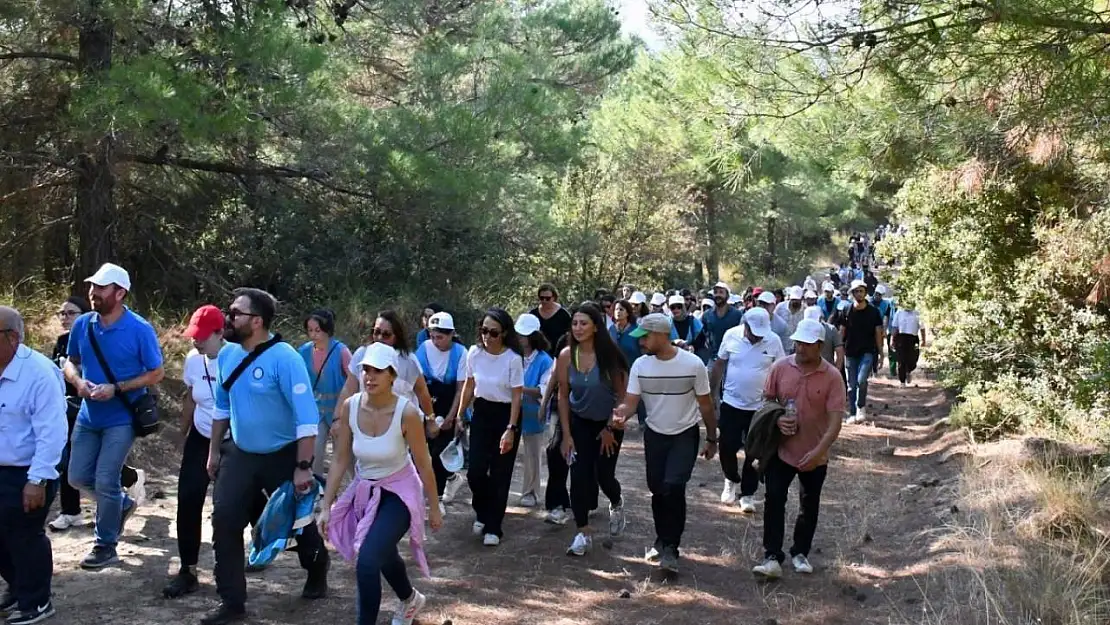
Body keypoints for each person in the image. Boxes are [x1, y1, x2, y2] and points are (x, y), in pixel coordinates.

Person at [205, 288, 329, 625]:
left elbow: (307, 420)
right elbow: (221, 407)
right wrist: (214, 451)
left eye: (235, 313)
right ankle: (232, 602)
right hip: (241, 454)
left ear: (256, 321)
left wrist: (303, 468)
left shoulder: (285, 358)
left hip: (283, 456)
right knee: (225, 520)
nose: (228, 318)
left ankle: (317, 567)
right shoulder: (228, 355)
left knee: (298, 526)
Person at [319, 343, 442, 625]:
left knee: (368, 560)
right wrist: (326, 506)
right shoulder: (351, 407)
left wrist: (433, 508)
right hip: (366, 490)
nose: (369, 377)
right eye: (366, 370)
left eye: (378, 371)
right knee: (382, 551)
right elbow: (339, 460)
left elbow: (424, 464)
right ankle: (410, 599)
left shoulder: (407, 413)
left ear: (392, 376)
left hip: (400, 492)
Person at [62, 263, 164, 569]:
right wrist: (78, 382)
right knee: (77, 476)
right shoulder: (83, 325)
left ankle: (105, 544)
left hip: (122, 416)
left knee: (106, 478)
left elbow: (157, 372)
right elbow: (70, 362)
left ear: (120, 293)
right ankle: (120, 504)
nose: (93, 293)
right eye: (93, 287)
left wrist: (117, 388)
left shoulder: (139, 329)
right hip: (88, 415)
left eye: (101, 288)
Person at [612, 314, 717, 574]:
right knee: (658, 488)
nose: (641, 342)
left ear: (662, 335)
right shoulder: (640, 366)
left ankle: (671, 547)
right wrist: (621, 414)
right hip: (655, 434)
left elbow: (706, 404)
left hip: (684, 434)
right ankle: (661, 538)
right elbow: (631, 401)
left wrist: (713, 438)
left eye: (645, 337)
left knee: (674, 486)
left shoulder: (692, 364)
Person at [753, 319, 846, 579]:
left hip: (815, 453)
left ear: (820, 345)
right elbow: (767, 401)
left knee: (809, 502)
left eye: (806, 344)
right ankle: (772, 554)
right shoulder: (781, 367)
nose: (800, 348)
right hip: (780, 450)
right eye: (797, 342)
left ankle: (800, 551)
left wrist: (818, 452)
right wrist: (777, 418)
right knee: (774, 498)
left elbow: (836, 422)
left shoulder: (832, 377)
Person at [49, 296, 145, 532]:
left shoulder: (110, 335)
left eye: (70, 313)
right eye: (61, 314)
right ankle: (73, 510)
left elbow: (150, 371)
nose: (65, 318)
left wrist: (112, 387)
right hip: (73, 408)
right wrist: (75, 381)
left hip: (114, 412)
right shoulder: (63, 341)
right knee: (75, 469)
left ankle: (104, 537)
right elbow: (62, 369)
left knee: (104, 472)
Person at [0, 306, 68, 625]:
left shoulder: (39, 373)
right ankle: (19, 587)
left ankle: (37, 601)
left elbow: (52, 431)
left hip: (28, 471)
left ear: (12, 338)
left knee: (25, 536)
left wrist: (37, 479)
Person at [163, 305, 232, 599]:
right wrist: (183, 432)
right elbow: (191, 397)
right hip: (200, 436)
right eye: (193, 335)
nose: (196, 341)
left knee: (231, 507)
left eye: (203, 336)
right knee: (188, 500)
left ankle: (235, 566)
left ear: (221, 334)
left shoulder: (236, 359)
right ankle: (188, 571)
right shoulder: (194, 360)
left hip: (234, 441)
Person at [557, 303, 629, 556]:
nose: (578, 328)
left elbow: (623, 397)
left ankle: (617, 502)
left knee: (603, 476)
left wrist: (611, 426)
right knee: (578, 476)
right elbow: (563, 396)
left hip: (608, 425)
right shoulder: (566, 356)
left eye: (584, 323)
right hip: (580, 423)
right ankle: (582, 532)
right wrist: (566, 435)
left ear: (596, 327)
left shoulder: (610, 356)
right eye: (575, 323)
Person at [455, 309, 524, 546]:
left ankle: (494, 526)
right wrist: (460, 412)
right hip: (482, 412)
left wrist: (511, 428)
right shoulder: (474, 353)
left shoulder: (513, 359)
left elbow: (517, 396)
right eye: (484, 331)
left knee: (500, 472)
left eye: (493, 332)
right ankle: (482, 510)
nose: (488, 336)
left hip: (506, 414)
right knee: (475, 471)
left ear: (504, 333)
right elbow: (469, 384)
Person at [710, 307, 785, 513]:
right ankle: (730, 479)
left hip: (760, 407)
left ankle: (748, 493)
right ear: (745, 326)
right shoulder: (731, 336)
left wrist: (780, 402)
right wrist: (712, 394)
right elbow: (719, 365)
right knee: (727, 446)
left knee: (755, 451)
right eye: (753, 333)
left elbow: (780, 370)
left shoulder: (773, 340)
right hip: (732, 403)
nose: (756, 337)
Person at [414, 312, 468, 505]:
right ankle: (449, 480)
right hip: (427, 402)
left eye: (440, 337)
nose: (436, 341)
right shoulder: (423, 349)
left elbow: (461, 389)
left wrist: (452, 417)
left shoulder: (461, 353)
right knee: (421, 450)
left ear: (451, 334)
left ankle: (435, 497)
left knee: (439, 453)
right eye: (432, 336)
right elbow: (416, 383)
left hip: (448, 404)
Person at [298, 309, 352, 476]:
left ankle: (355, 489)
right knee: (315, 450)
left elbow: (354, 380)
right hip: (316, 409)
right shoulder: (303, 351)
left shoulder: (341, 351)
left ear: (327, 329)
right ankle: (317, 488)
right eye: (310, 330)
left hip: (340, 410)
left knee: (344, 454)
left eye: (317, 330)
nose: (313, 335)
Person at [514, 314, 554, 508]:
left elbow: (543, 389)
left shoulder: (545, 360)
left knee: (532, 453)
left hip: (532, 411)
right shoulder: (513, 355)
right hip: (512, 410)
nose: (521, 338)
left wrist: (517, 388)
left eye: (524, 335)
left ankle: (531, 492)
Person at [839, 280, 885, 424]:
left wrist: (881, 352)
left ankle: (861, 407)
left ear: (865, 293)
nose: (859, 294)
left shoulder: (874, 312)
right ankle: (852, 413)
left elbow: (878, 332)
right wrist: (839, 349)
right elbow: (842, 331)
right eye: (856, 291)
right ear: (852, 293)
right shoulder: (846, 310)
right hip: (850, 351)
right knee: (851, 384)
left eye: (861, 291)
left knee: (861, 380)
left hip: (867, 351)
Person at [540, 333, 572, 525]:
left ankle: (582, 502)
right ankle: (556, 505)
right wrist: (544, 404)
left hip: (586, 413)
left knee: (581, 462)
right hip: (560, 408)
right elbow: (554, 375)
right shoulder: (564, 343)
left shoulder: (600, 352)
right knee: (555, 451)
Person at [701, 282, 744, 363]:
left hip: (731, 359)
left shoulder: (737, 314)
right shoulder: (707, 315)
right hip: (713, 359)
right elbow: (704, 335)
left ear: (727, 296)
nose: (718, 295)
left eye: (721, 292)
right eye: (715, 292)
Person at [529, 284, 572, 357]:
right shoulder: (533, 314)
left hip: (558, 355)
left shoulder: (564, 315)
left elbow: (569, 336)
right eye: (541, 298)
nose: (544, 301)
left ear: (554, 298)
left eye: (547, 298)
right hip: (536, 355)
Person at [891, 304, 926, 387]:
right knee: (901, 360)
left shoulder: (917, 312)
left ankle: (908, 370)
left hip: (913, 339)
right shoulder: (899, 312)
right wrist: (892, 340)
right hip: (901, 338)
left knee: (914, 359)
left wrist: (923, 340)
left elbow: (922, 328)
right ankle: (902, 381)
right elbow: (895, 327)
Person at [804, 307, 845, 373]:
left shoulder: (831, 329)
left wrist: (836, 371)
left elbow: (840, 352)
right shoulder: (801, 330)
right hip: (806, 370)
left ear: (820, 318)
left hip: (826, 371)